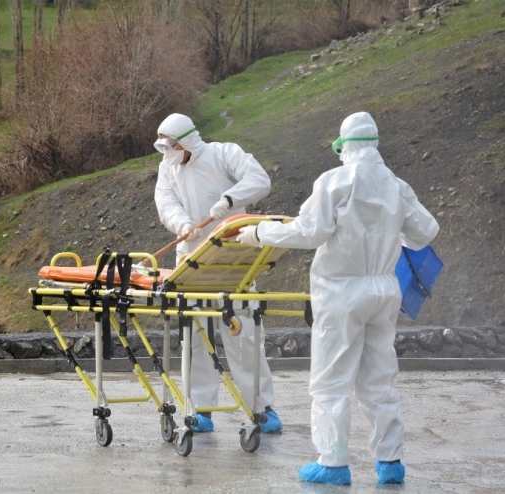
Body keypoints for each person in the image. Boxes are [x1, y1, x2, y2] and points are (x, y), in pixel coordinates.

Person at [236, 112, 439, 485]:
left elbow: (309, 232)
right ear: (375, 144)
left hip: (342, 291)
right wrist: (390, 236)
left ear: (344, 146)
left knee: (331, 381)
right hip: (384, 289)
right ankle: (390, 462)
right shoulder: (396, 185)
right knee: (379, 378)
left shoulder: (336, 180)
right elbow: (427, 230)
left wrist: (259, 233)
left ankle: (332, 463)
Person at [153, 112, 282, 434]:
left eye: (172, 145)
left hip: (233, 257)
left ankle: (261, 407)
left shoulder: (225, 154)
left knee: (243, 335)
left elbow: (259, 180)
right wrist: (182, 224)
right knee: (195, 339)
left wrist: (229, 199)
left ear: (188, 140)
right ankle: (202, 410)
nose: (168, 151)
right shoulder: (167, 167)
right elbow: (165, 201)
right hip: (192, 258)